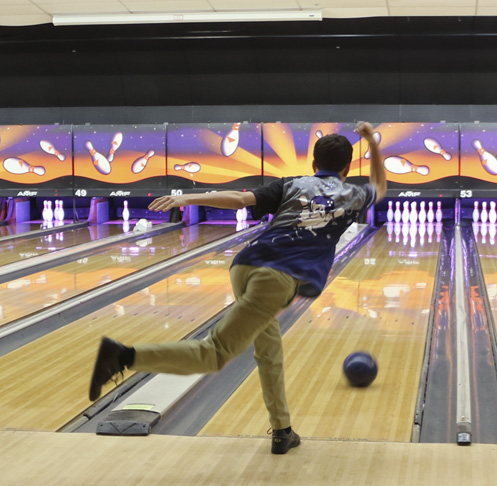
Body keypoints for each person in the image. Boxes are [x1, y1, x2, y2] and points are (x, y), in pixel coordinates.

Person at [89, 122, 386, 454]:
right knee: (214, 354)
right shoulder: (354, 195)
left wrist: (186, 197)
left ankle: (282, 430)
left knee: (269, 351)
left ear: (313, 164)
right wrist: (372, 143)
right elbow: (379, 185)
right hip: (276, 278)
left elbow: (241, 199)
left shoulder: (293, 183)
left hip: (245, 266)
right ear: (348, 168)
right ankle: (122, 356)